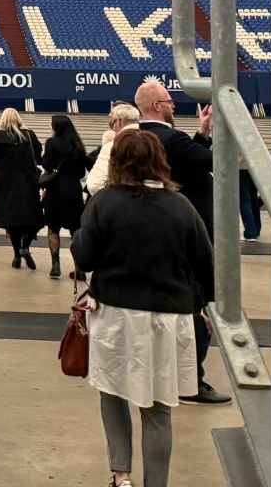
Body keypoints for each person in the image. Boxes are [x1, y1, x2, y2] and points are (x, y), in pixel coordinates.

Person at [72, 131, 214, 487]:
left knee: (113, 392)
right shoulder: (181, 206)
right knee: (158, 409)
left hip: (116, 316)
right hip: (169, 317)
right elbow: (206, 264)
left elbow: (84, 255)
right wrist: (199, 305)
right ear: (159, 160)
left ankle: (121, 476)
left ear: (117, 161)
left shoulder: (104, 203)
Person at [133, 81, 228, 406]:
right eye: (170, 102)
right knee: (194, 312)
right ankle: (191, 382)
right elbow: (212, 161)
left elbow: (191, 159)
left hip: (149, 239)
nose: (174, 106)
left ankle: (160, 376)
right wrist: (215, 133)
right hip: (186, 237)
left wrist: (201, 132)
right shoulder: (172, 139)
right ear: (158, 106)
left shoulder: (134, 138)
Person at [0, 109, 44, 271]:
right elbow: (39, 157)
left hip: (5, 183)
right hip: (28, 181)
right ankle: (26, 247)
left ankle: (17, 255)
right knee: (33, 217)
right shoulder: (30, 136)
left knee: (11, 220)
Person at [39, 114, 90, 280]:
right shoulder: (78, 145)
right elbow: (84, 170)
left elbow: (46, 164)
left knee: (53, 228)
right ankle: (79, 268)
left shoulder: (52, 143)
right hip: (74, 191)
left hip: (54, 191)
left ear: (56, 127)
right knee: (75, 230)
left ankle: (55, 266)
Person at [85, 103, 141, 197]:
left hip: (119, 203)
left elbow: (94, 185)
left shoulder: (112, 146)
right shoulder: (152, 142)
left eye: (113, 122)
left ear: (119, 121)